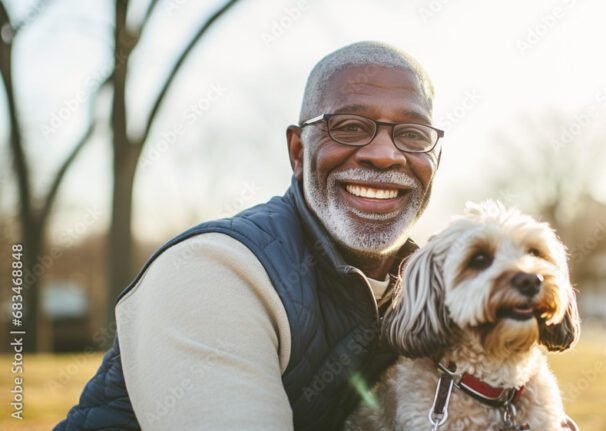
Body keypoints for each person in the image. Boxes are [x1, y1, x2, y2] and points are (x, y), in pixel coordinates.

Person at [55, 41, 443, 431]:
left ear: (435, 160)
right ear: (297, 152)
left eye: (412, 134)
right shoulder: (210, 273)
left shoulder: (434, 293)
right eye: (350, 127)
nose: (384, 155)